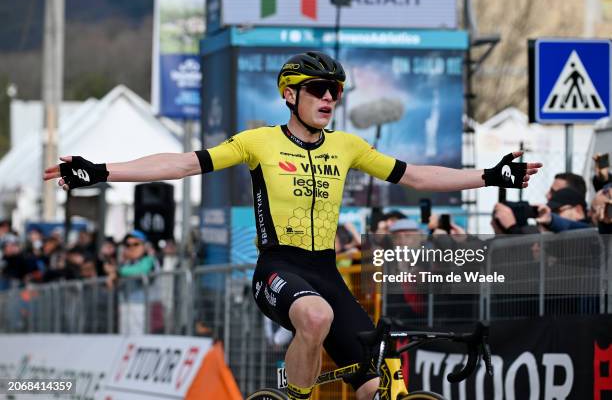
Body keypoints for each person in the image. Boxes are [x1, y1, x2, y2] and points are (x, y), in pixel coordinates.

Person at [44, 51, 542, 400]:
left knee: (375, 386)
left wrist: (491, 175)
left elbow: (417, 175)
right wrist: (102, 170)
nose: (330, 98)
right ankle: (295, 396)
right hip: (277, 269)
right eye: (319, 89)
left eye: (336, 91)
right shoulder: (259, 141)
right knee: (316, 317)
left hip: (326, 271)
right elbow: (180, 164)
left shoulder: (347, 146)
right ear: (290, 94)